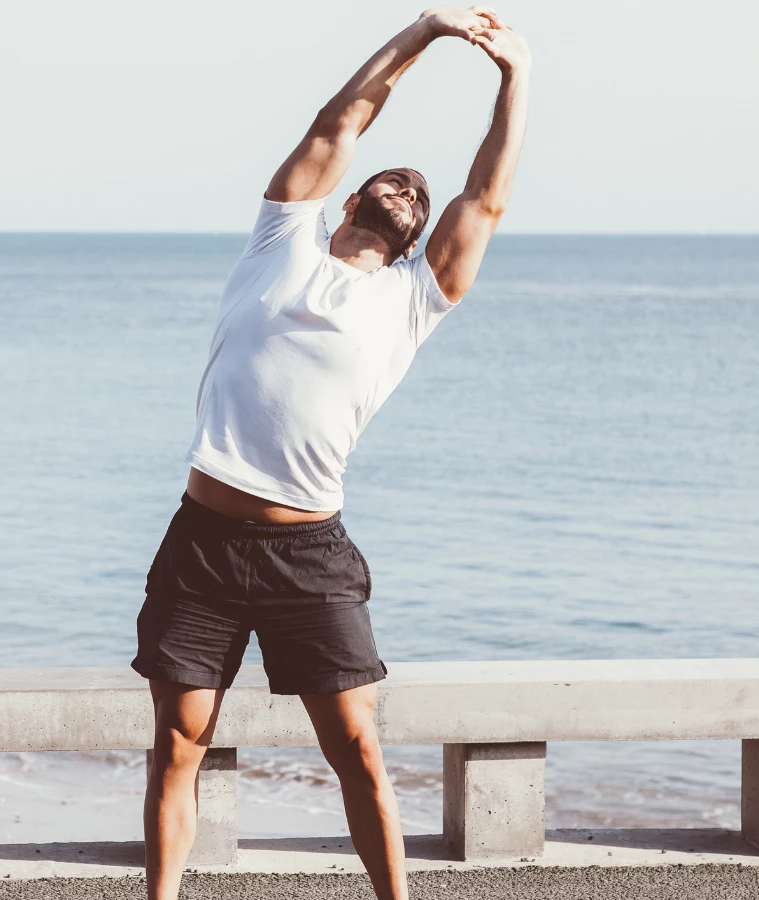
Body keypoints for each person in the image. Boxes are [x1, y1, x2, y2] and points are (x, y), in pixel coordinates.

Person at [131, 6, 529, 899]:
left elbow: (488, 198)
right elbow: (339, 121)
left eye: (420, 199)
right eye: (394, 182)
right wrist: (424, 33)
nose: (411, 191)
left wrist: (514, 77)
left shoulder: (413, 300)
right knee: (178, 746)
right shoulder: (282, 241)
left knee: (356, 750)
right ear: (350, 199)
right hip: (203, 540)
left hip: (309, 552)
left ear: (417, 237)